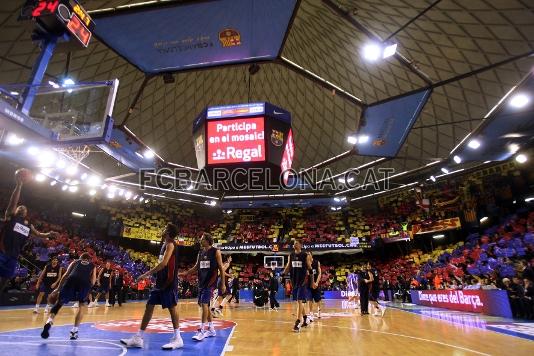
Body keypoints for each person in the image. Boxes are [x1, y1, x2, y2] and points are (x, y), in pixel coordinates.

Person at [120, 223, 183, 350]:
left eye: (164, 228)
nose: (162, 229)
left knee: (172, 308)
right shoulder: (164, 245)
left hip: (168, 282)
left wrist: (146, 274)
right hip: (160, 281)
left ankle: (178, 338)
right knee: (149, 306)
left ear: (169, 232)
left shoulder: (170, 245)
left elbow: (164, 264)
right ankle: (139, 337)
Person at [0, 170, 57, 294]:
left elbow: (39, 234)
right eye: (19, 207)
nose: (21, 207)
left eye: (24, 208)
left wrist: (49, 234)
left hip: (14, 256)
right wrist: (19, 185)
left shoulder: (28, 225)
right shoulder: (11, 217)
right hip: (2, 252)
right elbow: (12, 202)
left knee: (5, 279)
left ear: (26, 213)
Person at [40, 252, 96, 340]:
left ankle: (49, 321)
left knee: (59, 303)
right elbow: (93, 281)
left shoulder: (75, 262)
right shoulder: (93, 265)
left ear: (80, 258)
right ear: (89, 259)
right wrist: (87, 288)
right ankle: (74, 331)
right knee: (81, 306)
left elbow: (65, 275)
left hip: (71, 280)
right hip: (84, 283)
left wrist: (58, 289)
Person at [181, 233, 226, 342]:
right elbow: (196, 266)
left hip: (210, 282)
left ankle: (201, 330)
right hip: (201, 281)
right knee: (203, 305)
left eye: (202, 238)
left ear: (207, 240)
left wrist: (223, 284)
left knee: (204, 304)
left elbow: (221, 268)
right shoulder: (200, 252)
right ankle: (211, 329)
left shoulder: (216, 252)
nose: (200, 240)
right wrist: (186, 273)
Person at [282, 239, 311, 332]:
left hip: (303, 281)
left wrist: (312, 281)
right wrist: (282, 274)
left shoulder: (305, 255)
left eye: (296, 243)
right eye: (294, 243)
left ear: (301, 245)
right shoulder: (291, 255)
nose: (294, 245)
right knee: (299, 302)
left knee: (299, 301)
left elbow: (309, 268)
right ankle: (305, 318)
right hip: (294, 281)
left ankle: (298, 322)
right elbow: (288, 266)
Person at [307, 252, 322, 320]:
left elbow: (319, 273)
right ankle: (311, 313)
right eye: (307, 255)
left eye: (308, 254)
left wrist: (316, 283)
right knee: (309, 299)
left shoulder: (316, 262)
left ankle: (319, 311)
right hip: (308, 285)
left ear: (311, 255)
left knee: (317, 299)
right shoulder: (306, 263)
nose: (307, 255)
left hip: (316, 284)